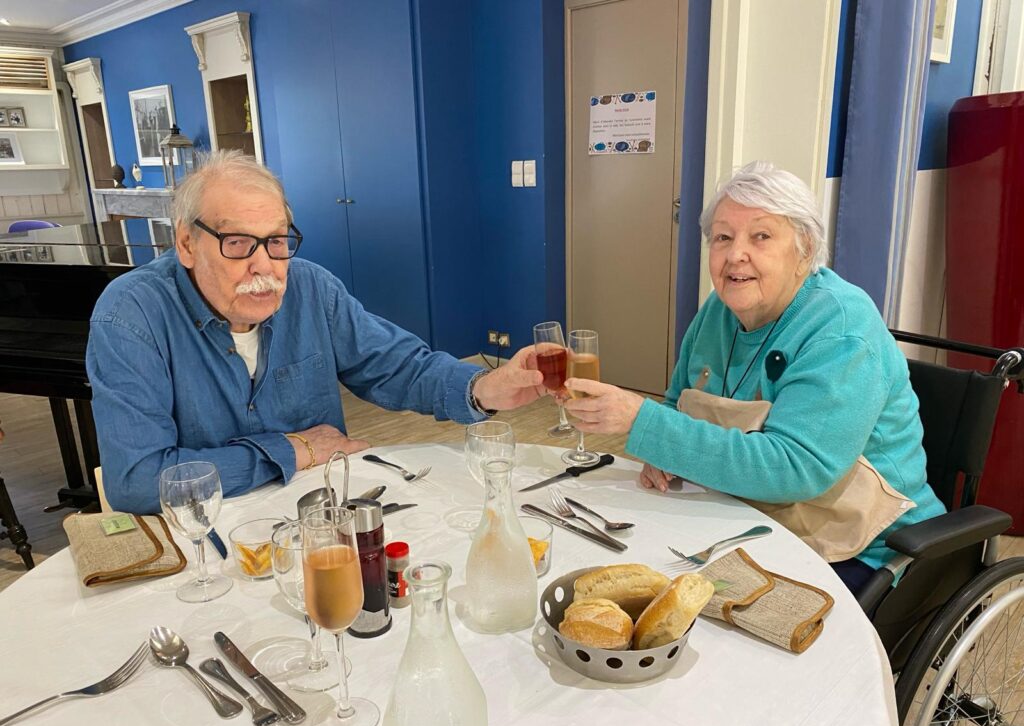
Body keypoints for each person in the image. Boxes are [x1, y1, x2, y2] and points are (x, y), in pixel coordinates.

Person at [87, 150, 544, 513]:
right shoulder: (131, 315)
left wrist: (485, 387)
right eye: (238, 243)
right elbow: (137, 479)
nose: (265, 266)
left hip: (323, 519)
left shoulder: (311, 288)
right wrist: (292, 450)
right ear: (187, 243)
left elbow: (398, 368)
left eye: (276, 240)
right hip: (209, 540)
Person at [563, 160, 943, 594]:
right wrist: (660, 453)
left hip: (861, 546)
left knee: (691, 611)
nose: (735, 255)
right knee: (616, 571)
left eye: (761, 236)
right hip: (752, 518)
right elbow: (677, 401)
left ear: (805, 250)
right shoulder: (718, 311)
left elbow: (795, 469)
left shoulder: (840, 329)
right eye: (722, 237)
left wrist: (642, 422)